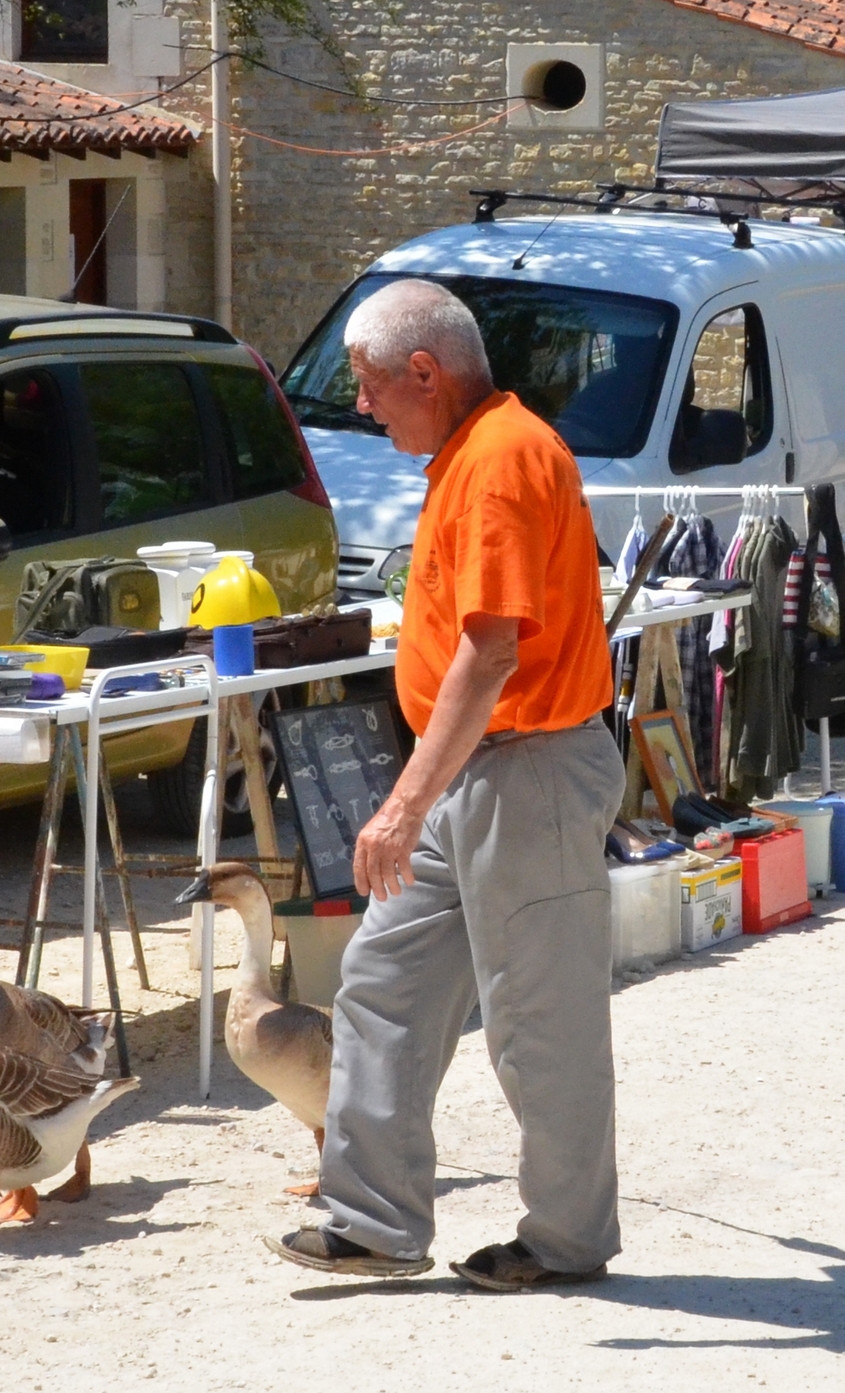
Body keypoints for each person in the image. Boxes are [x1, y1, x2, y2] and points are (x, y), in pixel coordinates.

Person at [265, 279, 627, 1292]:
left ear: (426, 372)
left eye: (371, 386)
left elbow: (490, 652)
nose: (364, 404)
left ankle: (565, 1237)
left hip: (525, 769)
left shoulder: (500, 460)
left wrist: (401, 802)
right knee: (382, 979)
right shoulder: (473, 452)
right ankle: (375, 1220)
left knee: (539, 1021)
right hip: (481, 769)